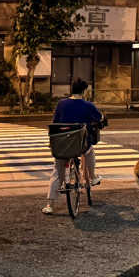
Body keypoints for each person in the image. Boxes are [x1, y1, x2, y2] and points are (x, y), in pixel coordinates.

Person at [42, 78, 105, 215]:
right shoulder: (88, 105)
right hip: (79, 145)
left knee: (57, 172)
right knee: (89, 151)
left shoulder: (61, 104)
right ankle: (93, 177)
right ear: (84, 91)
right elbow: (99, 118)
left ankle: (49, 205)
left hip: (61, 145)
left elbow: (55, 122)